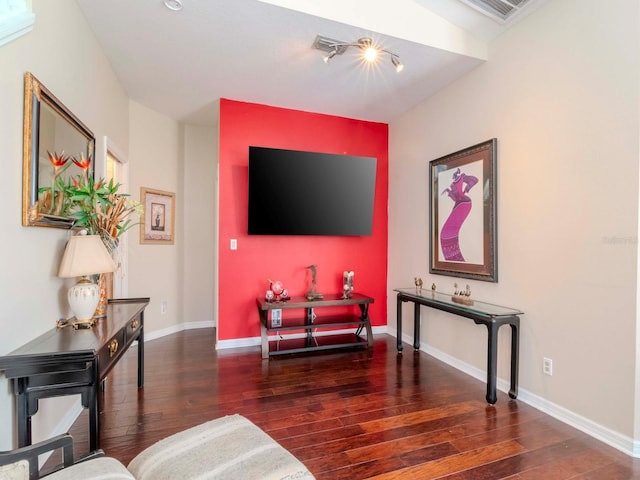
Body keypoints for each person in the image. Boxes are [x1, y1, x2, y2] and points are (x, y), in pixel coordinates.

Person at [440, 168, 478, 261]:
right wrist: (449, 191)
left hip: (463, 204)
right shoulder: (455, 183)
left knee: (446, 233)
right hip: (461, 203)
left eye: (455, 174)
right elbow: (456, 198)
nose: (454, 176)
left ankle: (455, 258)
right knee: (446, 233)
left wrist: (468, 186)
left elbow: (474, 180)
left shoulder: (460, 179)